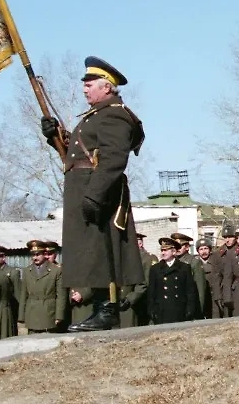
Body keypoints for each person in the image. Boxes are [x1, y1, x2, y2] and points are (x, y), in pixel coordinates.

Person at [41, 56, 145, 332]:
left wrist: (94, 195)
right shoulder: (96, 115)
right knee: (92, 252)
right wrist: (54, 137)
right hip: (83, 186)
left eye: (90, 84)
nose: (85, 89)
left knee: (104, 249)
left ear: (107, 87)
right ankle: (100, 308)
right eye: (85, 84)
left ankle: (107, 309)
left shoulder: (115, 114)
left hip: (98, 189)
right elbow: (76, 155)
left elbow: (113, 158)